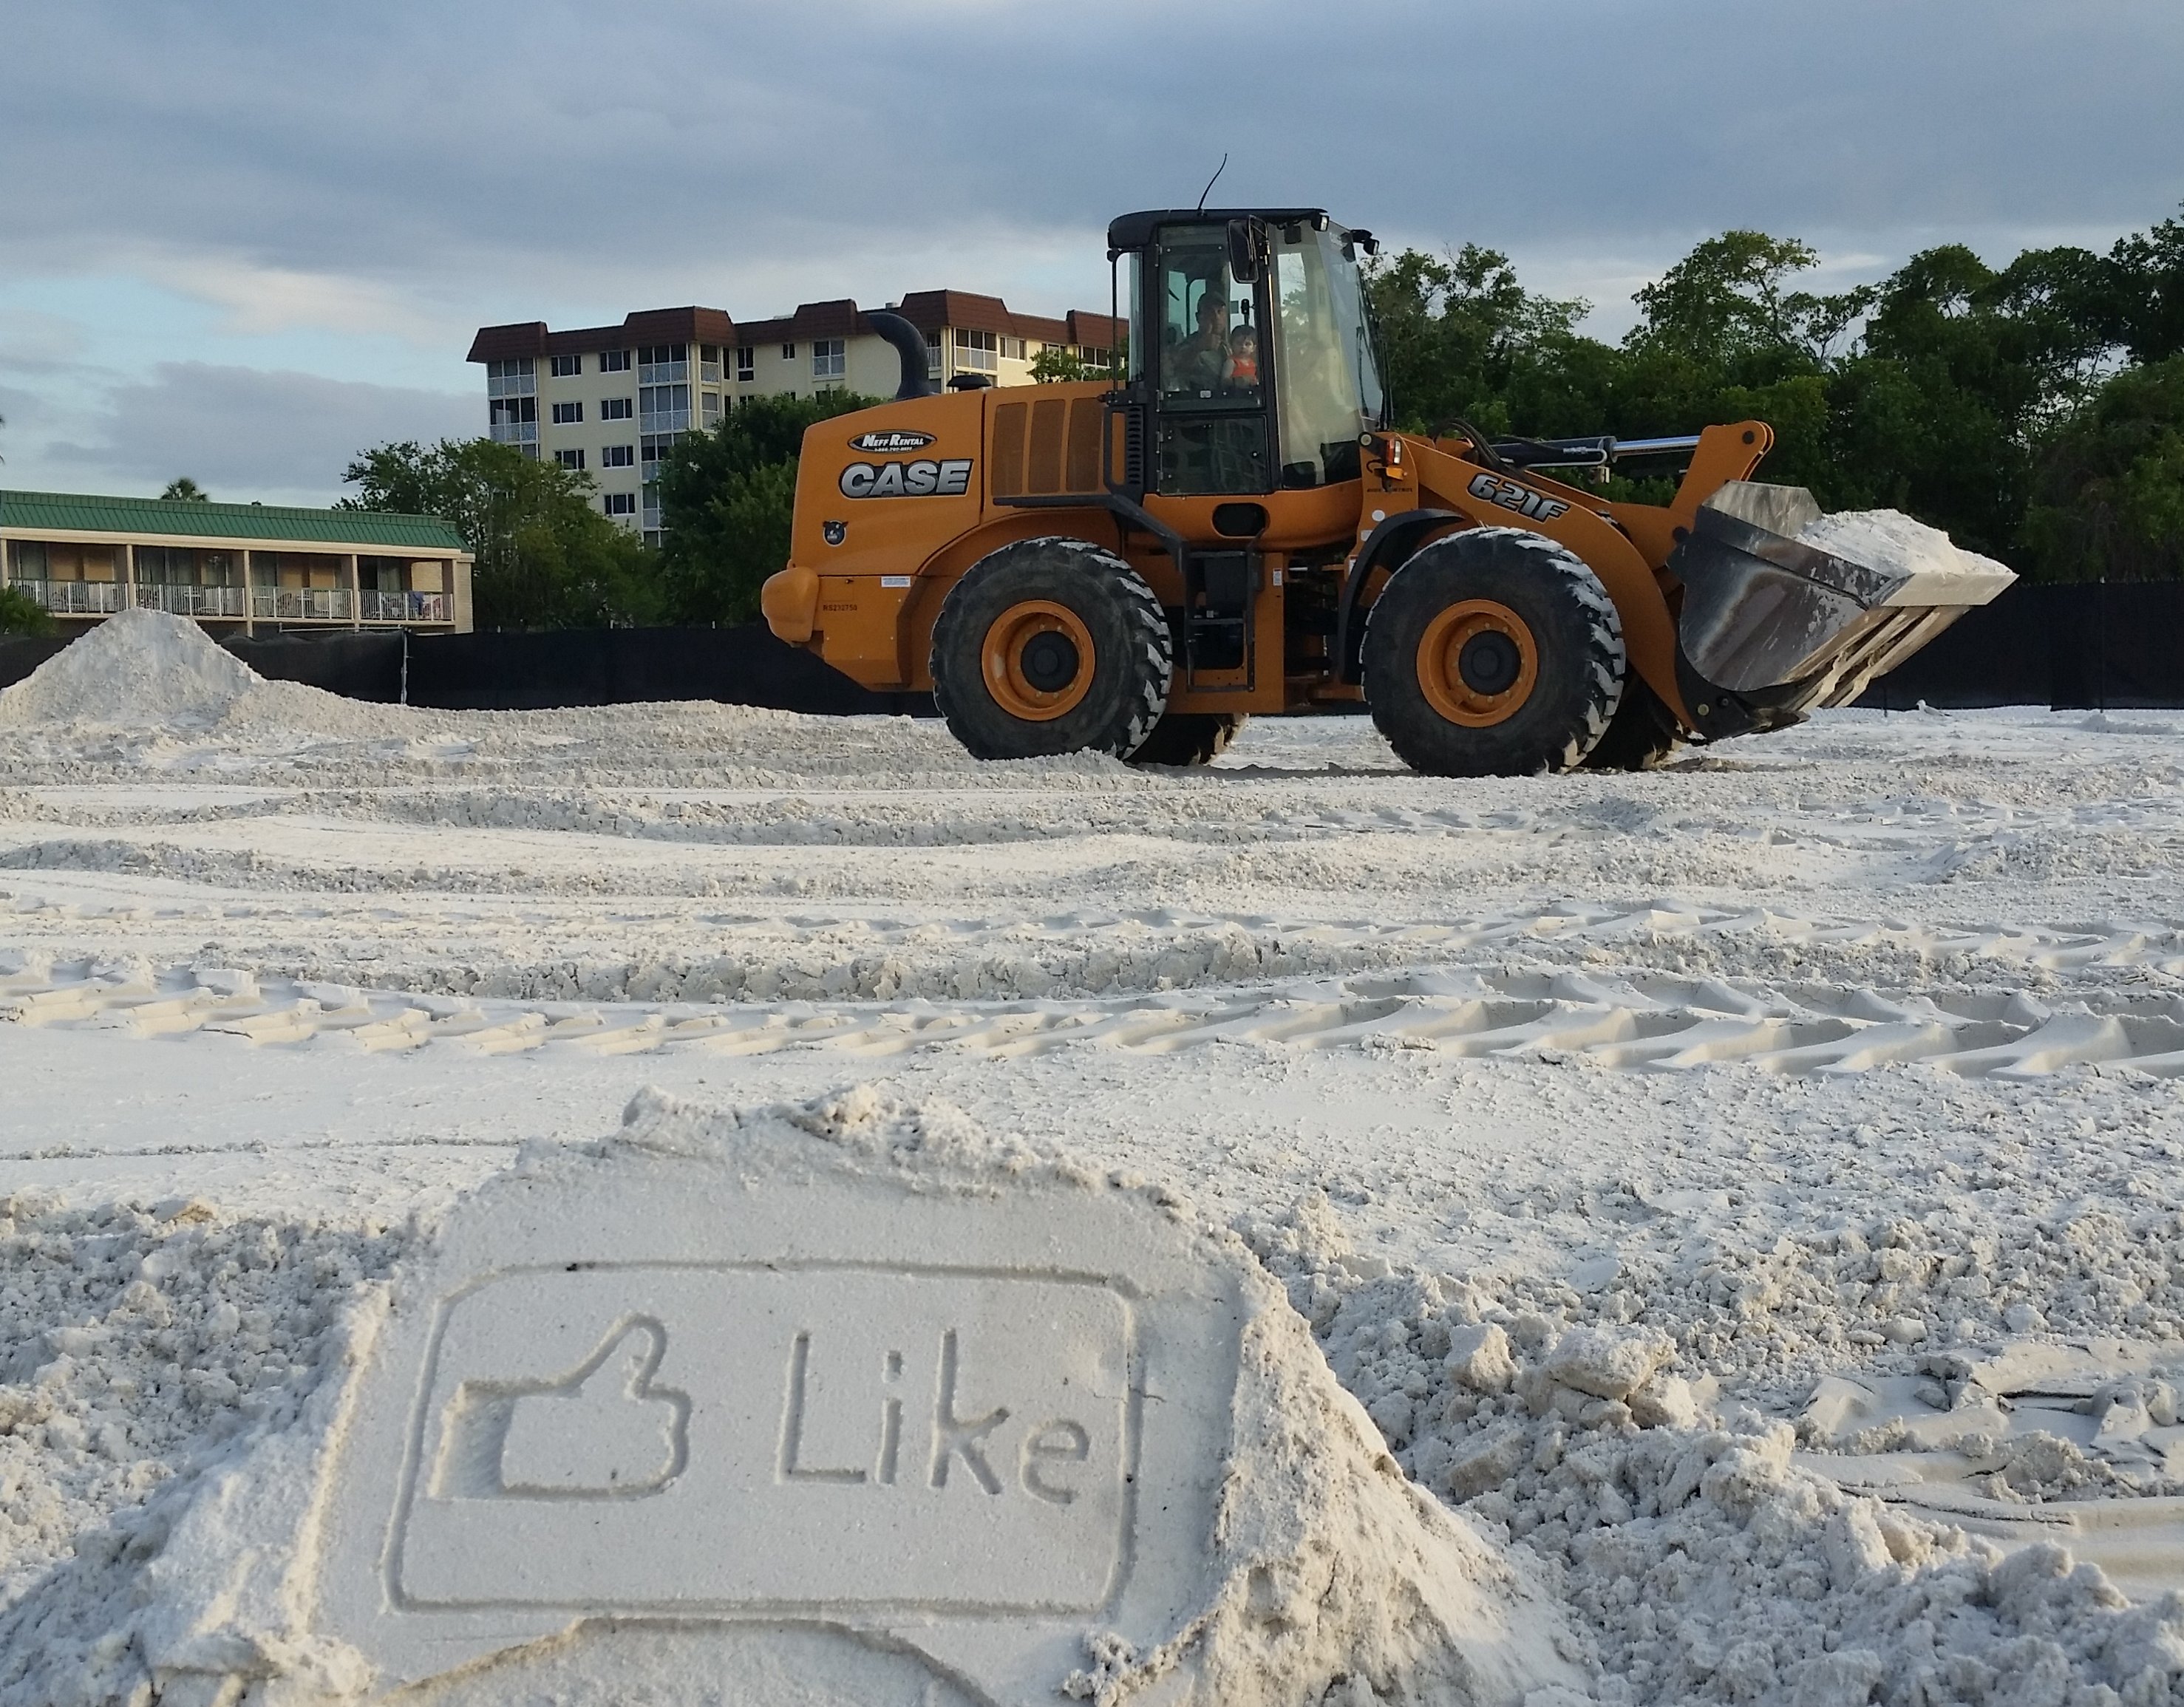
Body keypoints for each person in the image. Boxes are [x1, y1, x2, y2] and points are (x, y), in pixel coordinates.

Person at [1168, 290, 1231, 393]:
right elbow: (1176, 367)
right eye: (1210, 312)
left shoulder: (1229, 346)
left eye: (1220, 312)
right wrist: (1198, 347)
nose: (1216, 317)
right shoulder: (1190, 345)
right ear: (1198, 317)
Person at [1226, 323, 1259, 389]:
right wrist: (1237, 381)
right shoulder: (1232, 362)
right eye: (1239, 343)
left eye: (1247, 344)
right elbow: (1224, 382)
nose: (1243, 347)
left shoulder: (1253, 363)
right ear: (1231, 345)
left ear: (1253, 348)